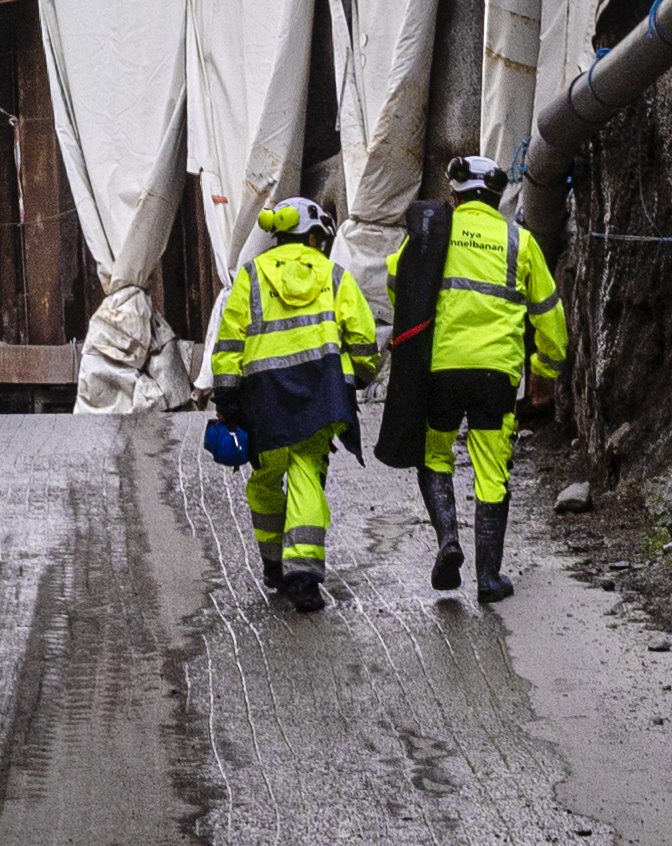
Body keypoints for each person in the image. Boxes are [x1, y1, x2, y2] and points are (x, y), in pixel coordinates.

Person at [388, 151, 567, 601]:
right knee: (491, 468)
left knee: (435, 453)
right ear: (495, 194)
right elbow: (550, 317)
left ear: (456, 192)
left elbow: (397, 279)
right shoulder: (518, 241)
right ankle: (489, 579)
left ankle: (448, 540)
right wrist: (545, 369)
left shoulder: (433, 233)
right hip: (496, 373)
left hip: (442, 369)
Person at [203, 195, 379, 613]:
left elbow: (229, 343)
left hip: (264, 399)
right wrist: (359, 375)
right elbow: (364, 341)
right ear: (314, 236)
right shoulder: (334, 275)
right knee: (306, 475)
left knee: (266, 480)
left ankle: (273, 564)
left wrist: (227, 397)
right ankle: (304, 574)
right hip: (320, 396)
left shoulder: (251, 275)